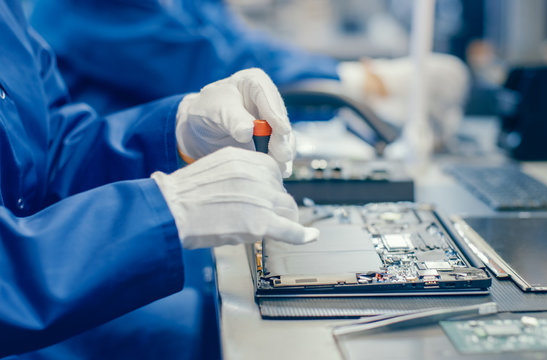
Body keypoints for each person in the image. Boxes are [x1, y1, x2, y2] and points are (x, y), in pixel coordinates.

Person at [0, 1, 316, 359]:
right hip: (24, 321)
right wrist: (162, 211)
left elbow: (51, 152)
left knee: (223, 319)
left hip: (57, 276)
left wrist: (179, 130)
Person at [29, 0, 470, 150]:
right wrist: (358, 83)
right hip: (118, 182)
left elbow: (229, 40)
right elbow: (202, 66)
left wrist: (356, 77)